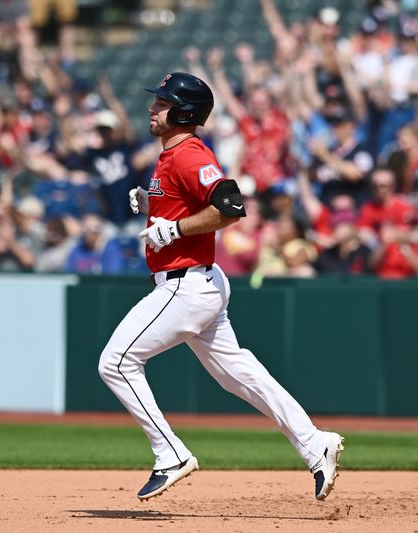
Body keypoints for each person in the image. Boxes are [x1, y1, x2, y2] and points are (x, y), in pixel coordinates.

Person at [97, 72, 343, 502]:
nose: (154, 109)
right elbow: (183, 204)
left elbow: (230, 207)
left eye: (162, 103)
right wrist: (152, 205)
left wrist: (172, 229)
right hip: (197, 282)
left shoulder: (189, 152)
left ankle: (170, 453)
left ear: (184, 112)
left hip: (185, 285)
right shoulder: (170, 154)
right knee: (240, 375)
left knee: (115, 363)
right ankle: (314, 442)